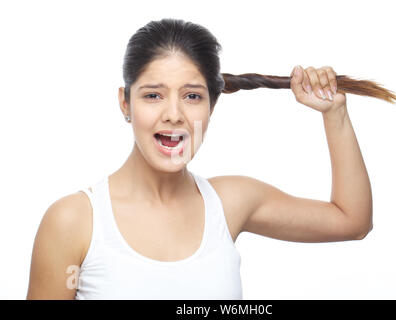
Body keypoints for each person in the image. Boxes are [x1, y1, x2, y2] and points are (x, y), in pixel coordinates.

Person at [26, 18, 373, 300]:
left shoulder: (231, 203)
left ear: (211, 106)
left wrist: (334, 114)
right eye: (153, 95)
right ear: (125, 103)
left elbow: (352, 222)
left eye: (192, 96)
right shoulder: (74, 220)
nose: (174, 114)